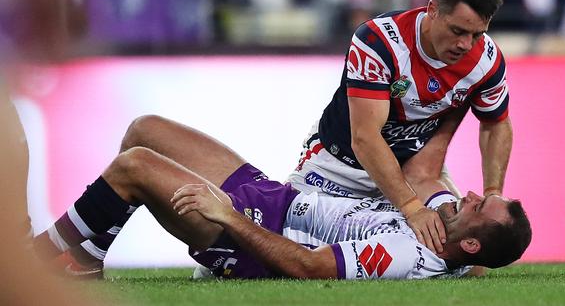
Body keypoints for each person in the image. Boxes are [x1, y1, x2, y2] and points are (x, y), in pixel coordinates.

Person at [32, 117, 532, 279]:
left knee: (134, 166)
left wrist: (227, 217)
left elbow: (312, 266)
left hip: (249, 234)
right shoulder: (451, 237)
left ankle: (31, 256)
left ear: (468, 242)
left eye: (478, 205)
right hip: (275, 196)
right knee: (145, 129)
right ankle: (89, 262)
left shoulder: (409, 255)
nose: (469, 195)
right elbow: (480, 255)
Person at [287, 0, 513, 254]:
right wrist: (411, 208)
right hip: (338, 169)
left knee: (470, 258)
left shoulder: (487, 59)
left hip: (416, 173)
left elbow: (496, 123)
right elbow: (365, 138)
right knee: (281, 252)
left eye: (477, 34)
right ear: (432, 9)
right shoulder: (379, 42)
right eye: (458, 30)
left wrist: (493, 193)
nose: (465, 44)